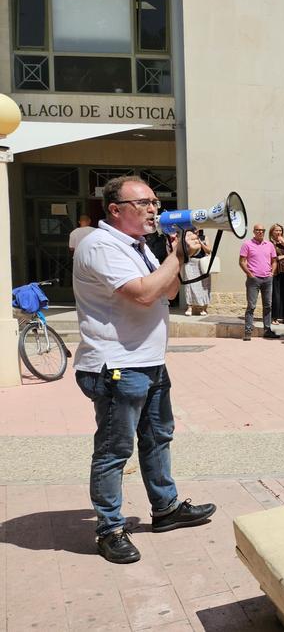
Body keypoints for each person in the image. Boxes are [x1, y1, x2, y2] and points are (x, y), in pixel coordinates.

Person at [72, 175, 216, 564]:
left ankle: (165, 508)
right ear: (116, 210)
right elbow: (144, 293)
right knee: (114, 450)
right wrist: (175, 257)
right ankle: (109, 529)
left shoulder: (139, 247)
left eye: (155, 201)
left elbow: (168, 292)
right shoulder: (100, 245)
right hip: (117, 364)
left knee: (157, 437)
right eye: (144, 203)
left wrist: (175, 256)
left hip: (148, 361)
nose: (154, 208)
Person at [239, 224, 280, 341]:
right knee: (251, 306)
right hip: (253, 279)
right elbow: (242, 261)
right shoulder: (247, 244)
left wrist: (272, 273)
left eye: (262, 230)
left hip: (267, 279)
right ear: (253, 231)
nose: (260, 232)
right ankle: (248, 331)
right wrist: (250, 274)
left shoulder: (270, 245)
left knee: (268, 306)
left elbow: (274, 261)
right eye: (257, 230)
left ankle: (267, 330)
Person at [181, 229, 213, 316]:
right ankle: (189, 307)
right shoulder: (187, 238)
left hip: (202, 262)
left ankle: (203, 308)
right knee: (190, 284)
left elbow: (209, 251)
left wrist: (200, 242)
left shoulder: (204, 237)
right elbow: (186, 253)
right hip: (190, 262)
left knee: (204, 285)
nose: (196, 229)